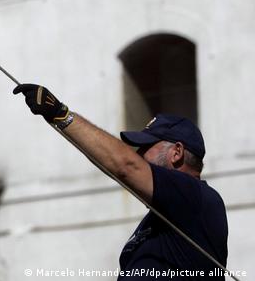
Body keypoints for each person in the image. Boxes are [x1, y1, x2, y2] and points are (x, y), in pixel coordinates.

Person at [14, 84, 228, 278]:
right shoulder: (162, 217)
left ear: (177, 152)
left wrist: (61, 115)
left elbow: (125, 166)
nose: (139, 155)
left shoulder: (195, 197)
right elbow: (117, 168)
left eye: (145, 148)